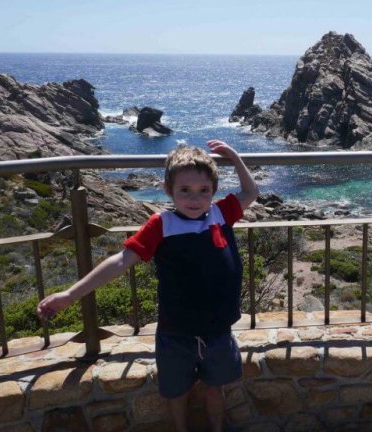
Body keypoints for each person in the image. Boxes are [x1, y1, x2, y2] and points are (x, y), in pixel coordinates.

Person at [37, 140, 259, 432]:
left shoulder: (220, 214)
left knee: (214, 388)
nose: (195, 198)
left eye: (204, 190)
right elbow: (120, 261)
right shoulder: (161, 224)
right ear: (169, 190)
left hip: (218, 330)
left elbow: (250, 192)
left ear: (213, 191)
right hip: (176, 332)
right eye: (185, 190)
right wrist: (70, 294)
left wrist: (234, 157)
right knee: (176, 393)